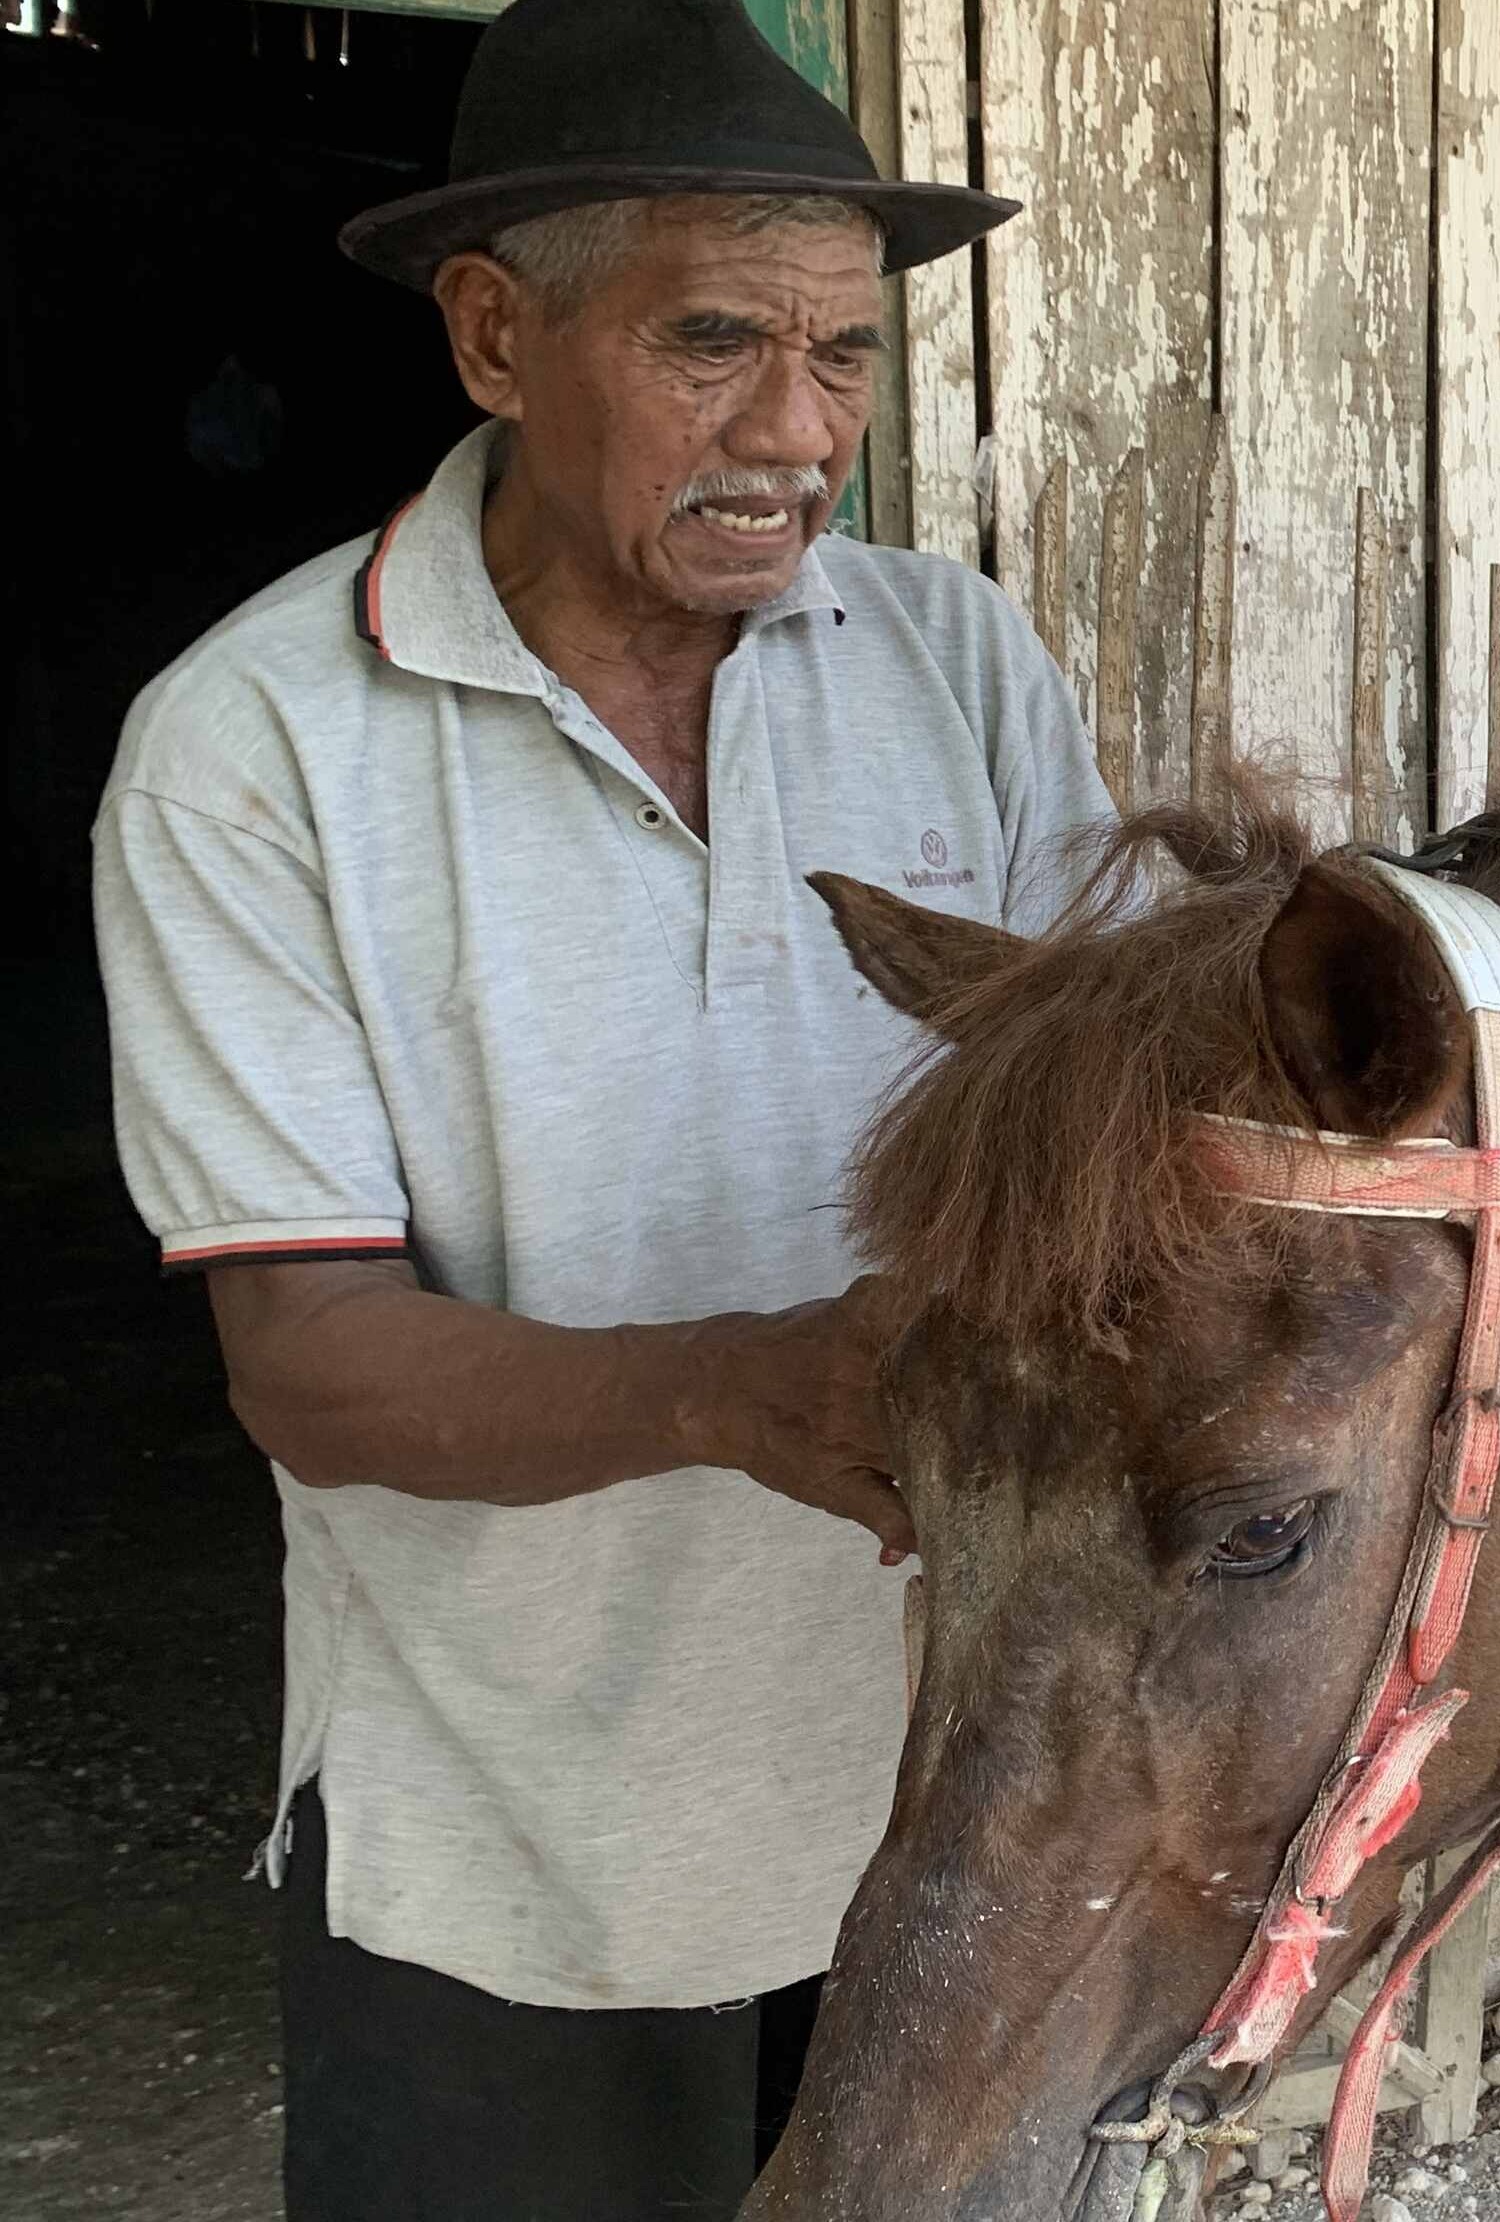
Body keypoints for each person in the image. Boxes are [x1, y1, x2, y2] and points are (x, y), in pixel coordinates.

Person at [87, 2, 1108, 2213]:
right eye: (717, 340)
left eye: (844, 357)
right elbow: (312, 1363)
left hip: (955, 1810)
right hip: (509, 1845)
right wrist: (745, 1389)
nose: (796, 429)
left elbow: (1104, 1145)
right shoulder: (254, 749)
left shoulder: (960, 669)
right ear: (491, 338)